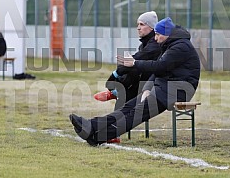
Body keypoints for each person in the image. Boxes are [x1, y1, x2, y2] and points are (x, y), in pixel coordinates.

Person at [69, 17, 201, 146]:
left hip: (177, 91)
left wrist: (135, 63)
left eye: (158, 35)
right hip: (164, 88)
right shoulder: (170, 44)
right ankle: (91, 125)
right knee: (128, 108)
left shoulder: (180, 47)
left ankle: (97, 137)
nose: (155, 38)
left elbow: (160, 66)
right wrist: (147, 89)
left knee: (135, 113)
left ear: (166, 34)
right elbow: (159, 71)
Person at [94, 11, 161, 143]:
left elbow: (134, 61)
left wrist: (115, 74)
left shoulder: (155, 44)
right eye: (138, 24)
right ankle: (112, 131)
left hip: (155, 85)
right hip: (143, 82)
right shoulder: (145, 44)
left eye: (142, 24)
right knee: (126, 89)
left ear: (151, 27)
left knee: (127, 84)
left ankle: (115, 94)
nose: (138, 27)